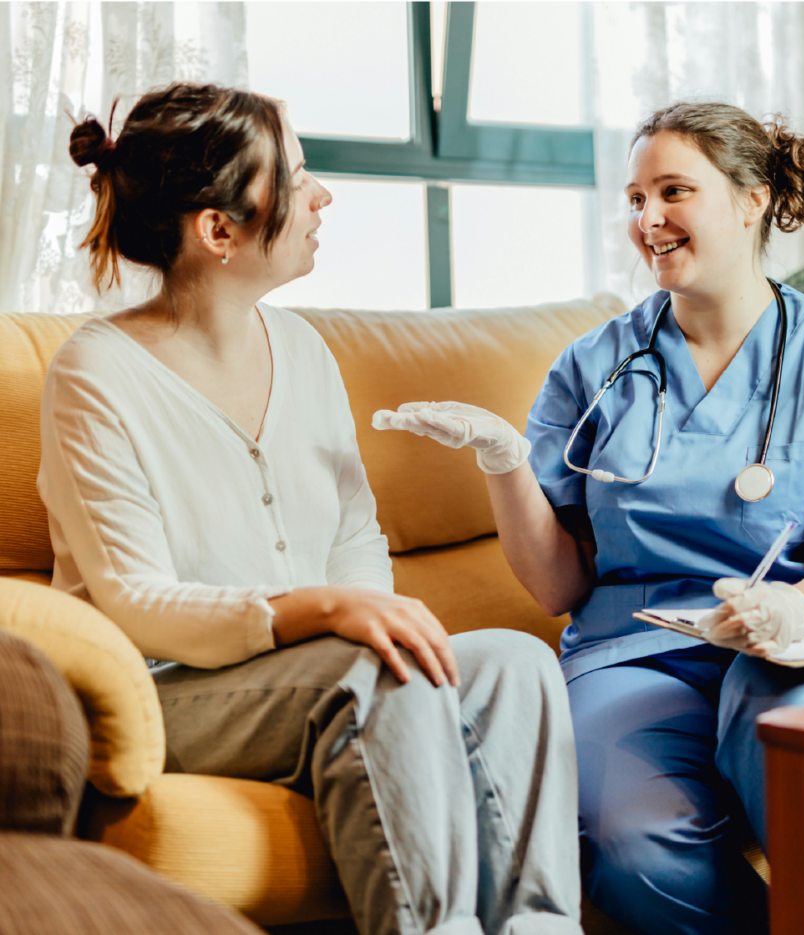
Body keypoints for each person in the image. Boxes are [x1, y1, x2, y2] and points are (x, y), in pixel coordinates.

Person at [374, 101, 804, 935]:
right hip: (637, 649)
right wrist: (504, 463)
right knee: (630, 841)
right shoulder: (594, 365)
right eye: (635, 198)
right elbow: (561, 580)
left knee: (784, 724)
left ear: (752, 199)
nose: (647, 219)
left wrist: (793, 609)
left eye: (673, 191)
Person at [39, 83, 583, 935]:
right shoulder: (94, 373)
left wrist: (359, 607)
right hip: (178, 687)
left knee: (515, 664)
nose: (323, 194)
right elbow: (134, 601)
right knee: (379, 673)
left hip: (313, 669)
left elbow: (354, 532)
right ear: (219, 229)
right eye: (296, 176)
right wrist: (326, 613)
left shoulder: (300, 346)